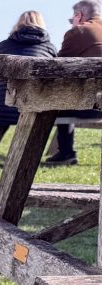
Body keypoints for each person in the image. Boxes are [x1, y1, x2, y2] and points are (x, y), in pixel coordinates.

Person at [0, 12, 55, 164]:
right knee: (15, 102)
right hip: (34, 106)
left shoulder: (3, 46)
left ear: (18, 25)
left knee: (5, 102)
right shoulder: (49, 48)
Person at [45, 1, 102, 165]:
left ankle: (65, 152)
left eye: (72, 19)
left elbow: (57, 67)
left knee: (54, 104)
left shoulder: (79, 31)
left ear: (78, 15)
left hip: (90, 107)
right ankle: (65, 152)